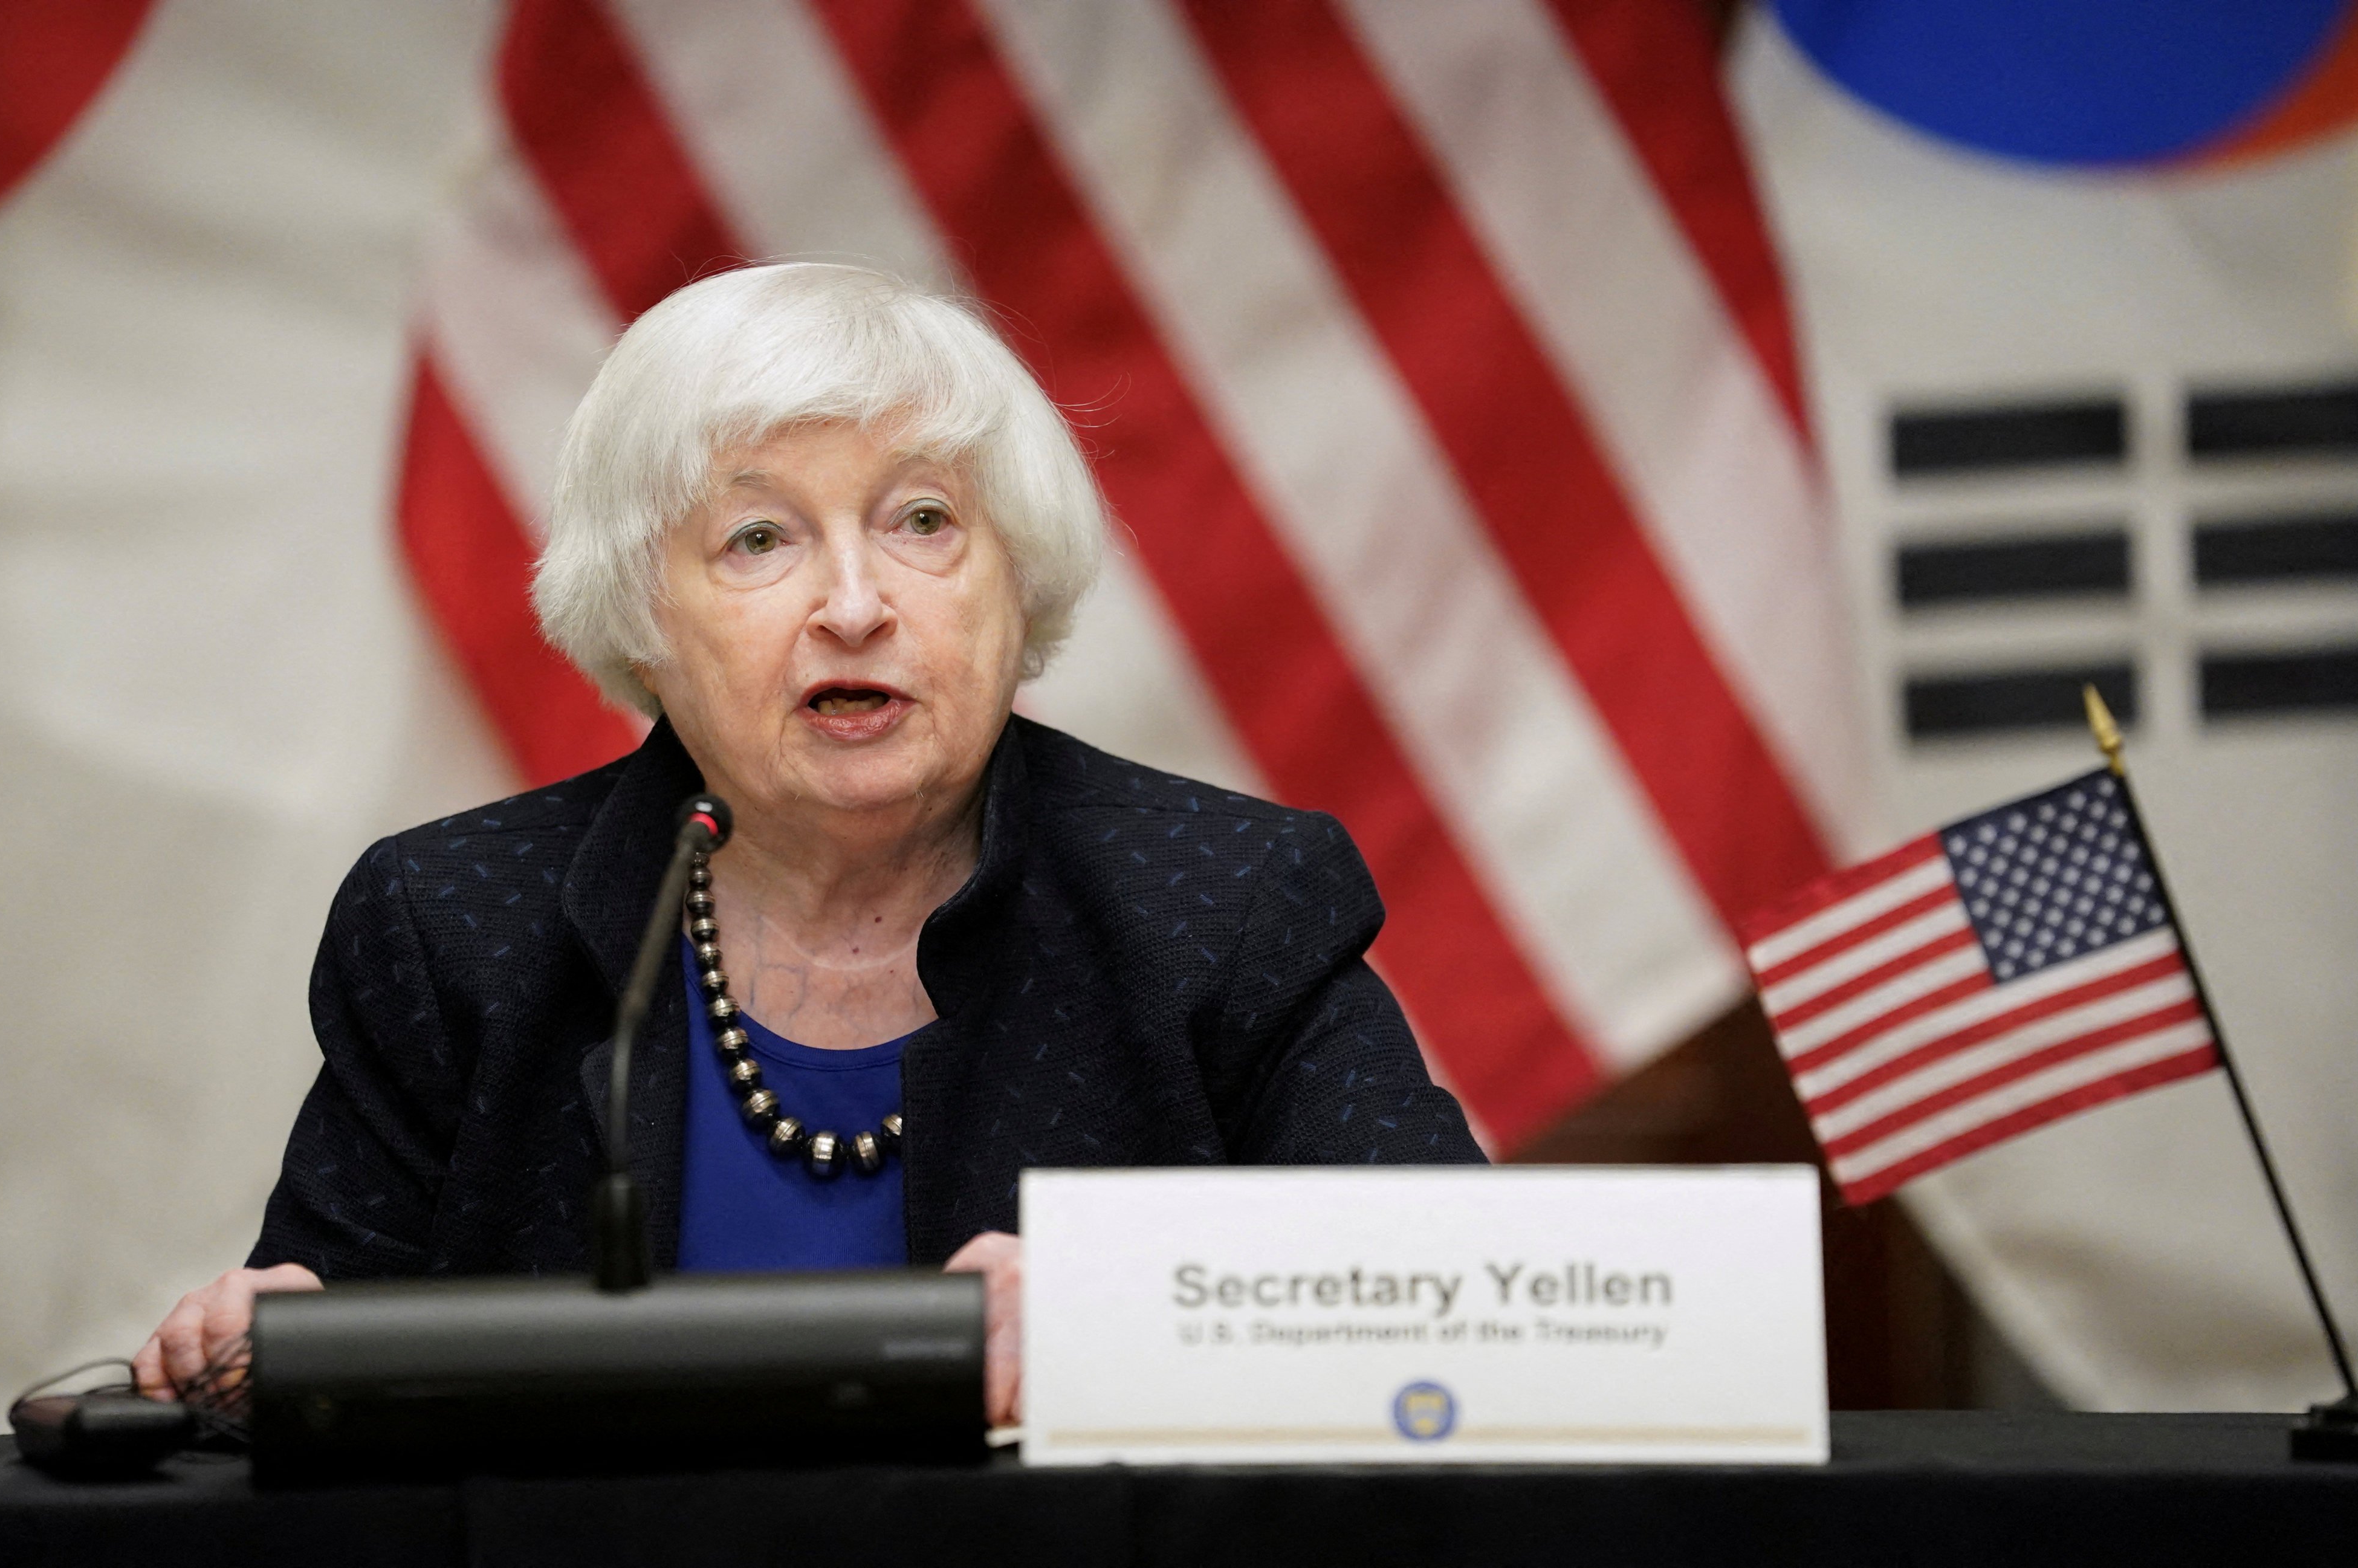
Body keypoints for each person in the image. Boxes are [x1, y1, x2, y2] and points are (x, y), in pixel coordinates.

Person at [135, 263, 1485, 1422]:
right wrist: (264, 1344)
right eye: (759, 536)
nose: (854, 604)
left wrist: (1134, 1305)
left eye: (922, 522)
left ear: (1015, 582)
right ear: (643, 619)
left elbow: (1452, 1287)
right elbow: (329, 1341)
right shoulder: (454, 923)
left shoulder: (1220, 903)